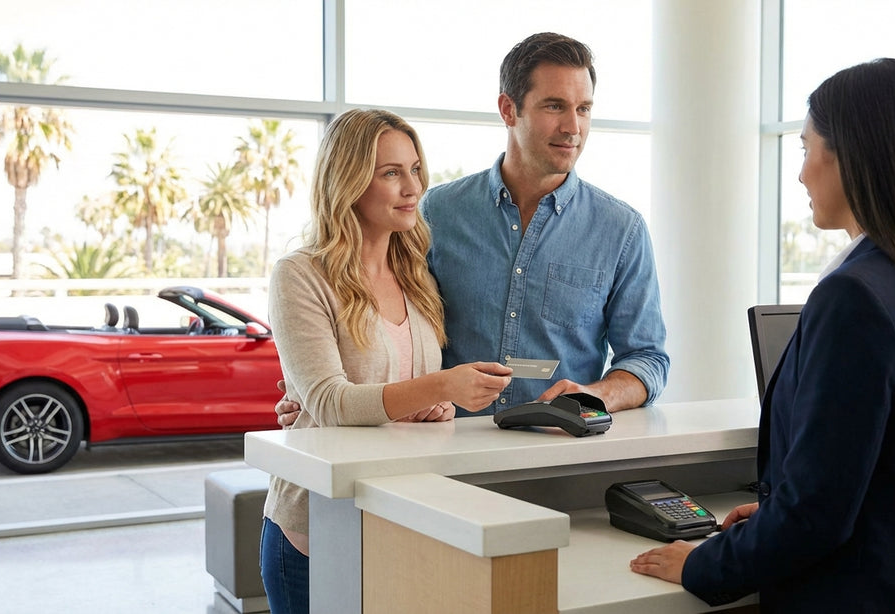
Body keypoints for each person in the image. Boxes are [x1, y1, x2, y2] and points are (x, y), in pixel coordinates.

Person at [630, 58, 895, 612]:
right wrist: (779, 512)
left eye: (806, 148)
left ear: (850, 154)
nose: (801, 172)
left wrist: (702, 563)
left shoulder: (856, 297)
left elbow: (817, 516)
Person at [275, 32, 669, 426]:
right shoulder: (435, 213)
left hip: (560, 449)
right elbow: (372, 322)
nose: (573, 126)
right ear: (508, 109)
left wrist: (597, 395)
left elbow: (648, 358)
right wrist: (314, 395)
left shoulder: (621, 230)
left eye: (583, 109)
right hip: (445, 452)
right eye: (555, 106)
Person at [259, 108, 512, 614]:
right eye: (391, 173)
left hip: (402, 516)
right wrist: (440, 389)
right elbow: (330, 402)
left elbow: (402, 394)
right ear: (348, 181)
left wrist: (436, 408)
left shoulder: (417, 276)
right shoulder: (300, 275)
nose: (412, 187)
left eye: (415, 169)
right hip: (317, 526)